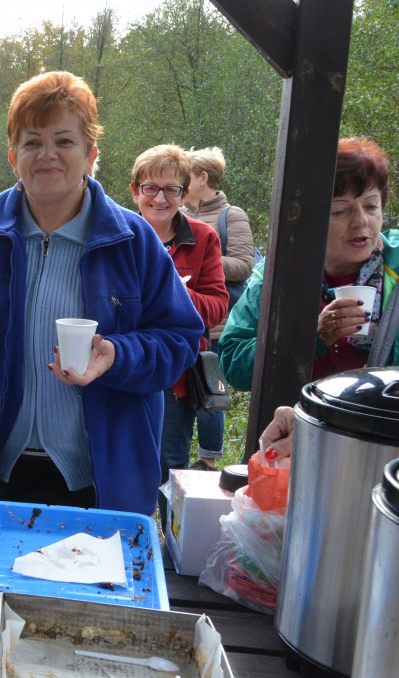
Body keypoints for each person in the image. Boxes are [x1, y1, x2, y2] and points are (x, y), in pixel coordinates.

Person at [0, 71, 204, 524]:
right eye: (32, 142)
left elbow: (180, 339)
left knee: (90, 593)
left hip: (101, 476)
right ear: (14, 158)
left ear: (91, 154)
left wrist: (116, 355)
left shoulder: (133, 240)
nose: (47, 155)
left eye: (64, 141)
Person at [220, 137, 398, 388]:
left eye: (371, 206)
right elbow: (233, 363)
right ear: (310, 217)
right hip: (305, 421)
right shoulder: (281, 273)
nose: (361, 221)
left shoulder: (395, 265)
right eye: (340, 211)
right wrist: (313, 337)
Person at [129, 144, 228, 528]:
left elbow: (218, 304)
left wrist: (173, 293)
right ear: (135, 190)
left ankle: (168, 551)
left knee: (169, 467)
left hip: (175, 377)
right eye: (151, 188)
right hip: (120, 367)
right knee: (117, 459)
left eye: (171, 189)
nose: (160, 197)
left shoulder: (202, 238)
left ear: (185, 193)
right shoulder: (118, 233)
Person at [181, 147, 256, 471]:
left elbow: (243, 264)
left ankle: (209, 460)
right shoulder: (178, 214)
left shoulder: (232, 215)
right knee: (183, 390)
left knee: (211, 389)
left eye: (188, 174)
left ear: (203, 177)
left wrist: (202, 260)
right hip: (183, 318)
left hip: (217, 319)